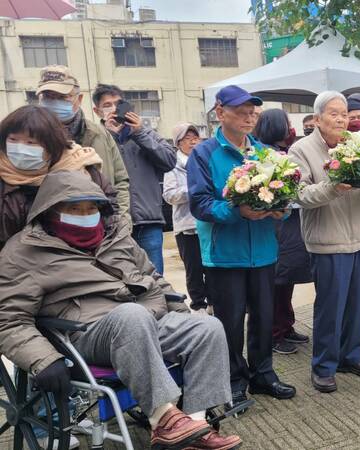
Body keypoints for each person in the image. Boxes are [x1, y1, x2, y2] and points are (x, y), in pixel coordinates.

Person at [0, 170, 242, 450]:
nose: (85, 214)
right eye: (74, 209)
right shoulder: (23, 252)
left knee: (207, 327)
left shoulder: (116, 237)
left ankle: (194, 427)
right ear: (50, 211)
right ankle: (163, 419)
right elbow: (9, 318)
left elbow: (153, 276)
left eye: (91, 208)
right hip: (84, 335)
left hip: (142, 320)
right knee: (131, 315)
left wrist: (178, 309)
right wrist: (42, 359)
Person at [188, 85, 296, 405]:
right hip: (225, 255)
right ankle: (233, 379)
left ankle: (263, 373)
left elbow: (284, 195)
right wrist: (238, 211)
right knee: (230, 320)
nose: (249, 117)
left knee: (264, 316)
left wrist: (281, 210)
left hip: (263, 250)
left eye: (253, 112)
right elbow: (200, 204)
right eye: (241, 111)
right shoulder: (204, 153)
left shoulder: (265, 153)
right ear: (220, 113)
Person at [288, 91, 360, 393]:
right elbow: (299, 195)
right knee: (331, 307)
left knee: (357, 306)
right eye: (333, 113)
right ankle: (324, 366)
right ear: (317, 119)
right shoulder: (301, 150)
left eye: (344, 113)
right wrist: (333, 187)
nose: (341, 119)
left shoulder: (356, 146)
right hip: (327, 242)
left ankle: (350, 356)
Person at [0, 105, 118, 249]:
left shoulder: (81, 169)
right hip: (14, 265)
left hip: (77, 260)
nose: (20, 148)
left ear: (52, 145)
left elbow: (110, 213)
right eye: (13, 140)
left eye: (30, 142)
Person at [92, 84, 176, 274]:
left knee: (154, 278)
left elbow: (169, 161)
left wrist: (140, 133)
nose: (114, 109)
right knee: (117, 277)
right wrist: (110, 136)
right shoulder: (95, 138)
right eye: (107, 105)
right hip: (110, 223)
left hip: (147, 222)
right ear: (97, 111)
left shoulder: (146, 134)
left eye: (118, 104)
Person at [253, 108, 311, 355]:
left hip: (289, 223)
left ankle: (287, 326)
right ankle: (274, 334)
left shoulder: (283, 152)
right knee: (278, 280)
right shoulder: (265, 155)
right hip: (278, 225)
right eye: (287, 123)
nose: (290, 128)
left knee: (287, 279)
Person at [35, 65, 129, 217]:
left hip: (99, 226)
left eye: (61, 97)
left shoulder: (99, 134)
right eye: (48, 97)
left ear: (79, 99)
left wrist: (121, 219)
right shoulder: (28, 138)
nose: (54, 102)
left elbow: (120, 181)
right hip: (47, 230)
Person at [163, 123, 208, 313]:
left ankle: (214, 303)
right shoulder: (172, 166)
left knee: (212, 268)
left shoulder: (205, 162)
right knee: (194, 270)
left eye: (195, 137)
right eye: (186, 138)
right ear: (177, 143)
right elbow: (169, 195)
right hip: (187, 226)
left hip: (208, 224)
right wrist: (194, 190)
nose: (192, 141)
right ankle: (199, 306)